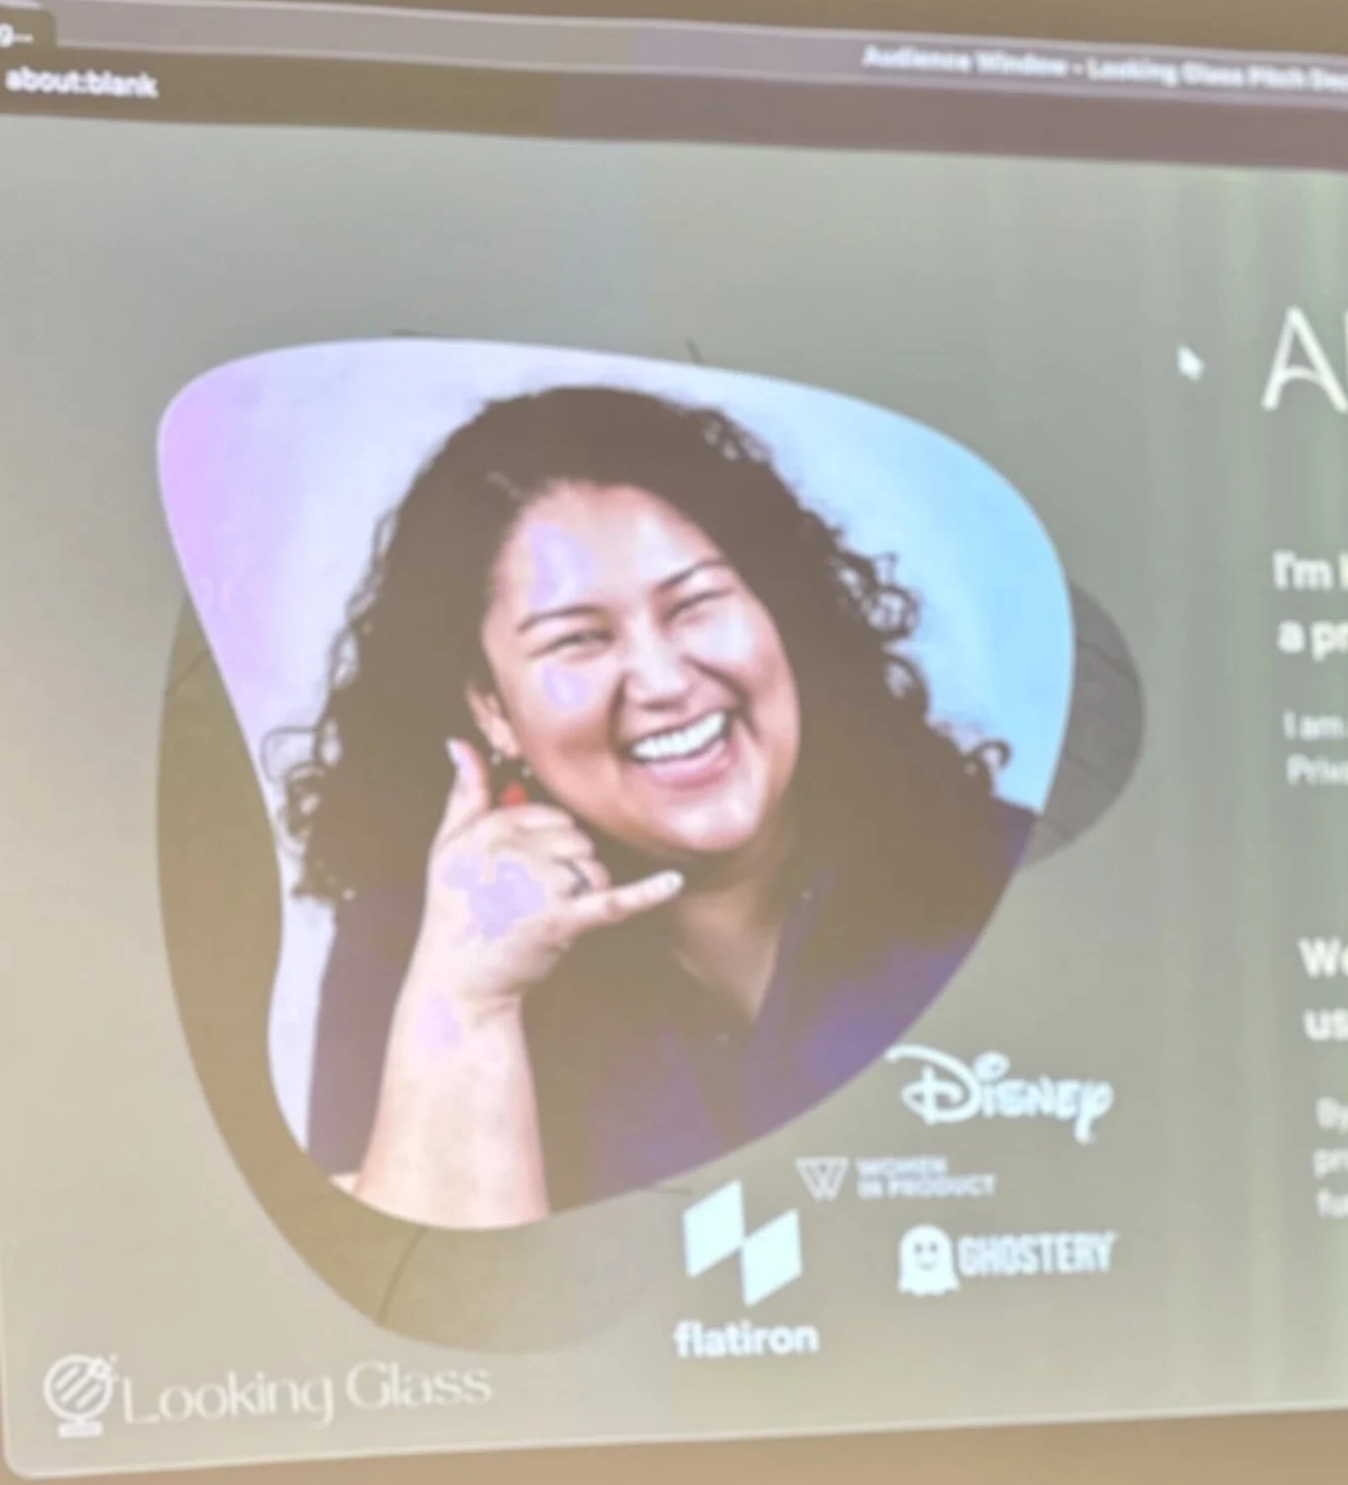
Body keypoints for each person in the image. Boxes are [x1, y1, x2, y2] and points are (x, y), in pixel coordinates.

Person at [275, 383, 1025, 1227]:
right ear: (491, 708)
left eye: (696, 604)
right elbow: (422, 1290)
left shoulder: (1008, 877)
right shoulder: (428, 942)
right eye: (579, 639)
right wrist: (474, 1004)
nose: (665, 681)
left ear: (777, 613)